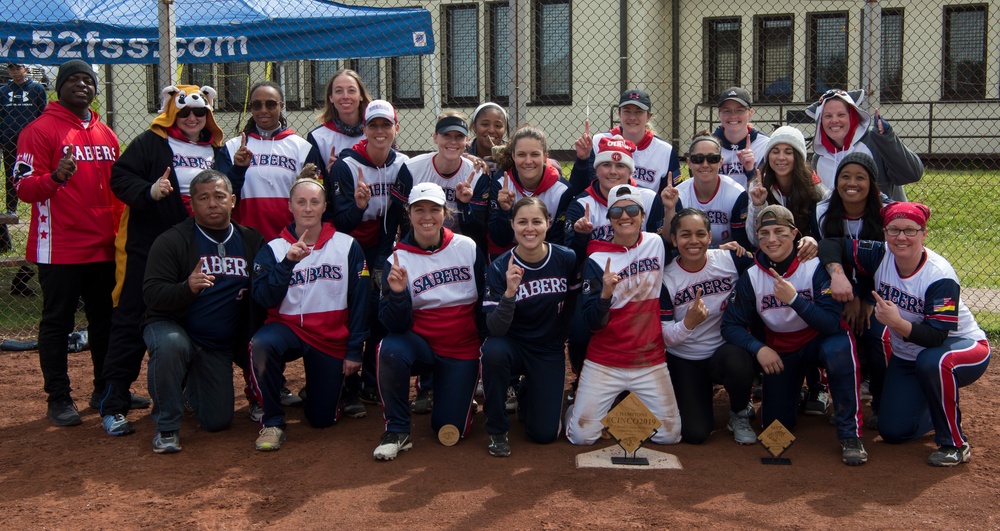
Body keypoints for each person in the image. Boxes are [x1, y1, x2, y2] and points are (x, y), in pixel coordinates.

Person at [98, 84, 244, 435]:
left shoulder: (216, 148)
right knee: (132, 319)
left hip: (198, 252)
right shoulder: (150, 143)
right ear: (171, 114)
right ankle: (113, 401)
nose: (192, 118)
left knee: (198, 317)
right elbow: (119, 177)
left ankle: (185, 392)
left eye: (199, 113)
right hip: (150, 251)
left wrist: (237, 170)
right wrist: (150, 191)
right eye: (184, 113)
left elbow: (226, 194)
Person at [819, 202, 990, 467]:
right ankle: (936, 408)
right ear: (885, 233)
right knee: (893, 431)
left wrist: (897, 323)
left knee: (934, 361)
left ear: (924, 234)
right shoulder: (880, 254)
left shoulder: (939, 275)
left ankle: (954, 444)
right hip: (909, 355)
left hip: (963, 348)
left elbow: (937, 337)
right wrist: (838, 275)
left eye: (910, 230)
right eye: (894, 230)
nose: (901, 238)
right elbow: (831, 244)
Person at [13, 60, 122, 427]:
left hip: (103, 245)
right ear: (58, 88)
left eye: (87, 80)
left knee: (104, 321)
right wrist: (56, 178)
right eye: (72, 79)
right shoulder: (38, 130)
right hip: (58, 245)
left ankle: (105, 390)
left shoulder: (106, 133)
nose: (81, 85)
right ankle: (58, 397)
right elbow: (23, 187)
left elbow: (118, 190)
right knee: (57, 322)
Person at [721, 205, 866, 466]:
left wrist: (795, 300)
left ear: (795, 234)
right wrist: (758, 348)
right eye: (764, 233)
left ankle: (850, 435)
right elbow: (730, 325)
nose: (772, 239)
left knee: (839, 349)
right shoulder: (752, 276)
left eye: (780, 232)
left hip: (819, 340)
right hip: (782, 349)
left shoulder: (815, 266)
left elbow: (832, 323)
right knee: (775, 426)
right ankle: (794, 392)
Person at [141, 170, 265, 454]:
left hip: (215, 345)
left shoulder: (250, 241)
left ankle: (188, 388)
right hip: (172, 324)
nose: (212, 204)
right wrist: (187, 287)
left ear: (232, 200)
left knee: (217, 421)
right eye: (204, 198)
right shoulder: (172, 241)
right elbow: (151, 295)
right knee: (171, 345)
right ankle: (167, 428)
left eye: (219, 197)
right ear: (192, 203)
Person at [249, 164, 369, 451]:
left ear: (325, 206)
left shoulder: (347, 246)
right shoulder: (274, 248)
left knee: (322, 419)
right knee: (261, 344)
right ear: (290, 206)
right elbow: (264, 298)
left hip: (329, 338)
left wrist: (354, 350)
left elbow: (360, 301)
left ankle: (318, 390)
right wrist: (288, 263)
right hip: (287, 330)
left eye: (315, 202)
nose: (307, 208)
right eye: (300, 202)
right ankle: (272, 421)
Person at [374, 182, 485, 460]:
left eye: (434, 209)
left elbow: (485, 301)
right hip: (420, 346)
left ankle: (453, 392)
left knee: (448, 430)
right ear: (408, 214)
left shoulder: (467, 248)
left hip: (461, 348)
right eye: (419, 210)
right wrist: (398, 295)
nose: (427, 217)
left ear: (445, 213)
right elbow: (393, 325)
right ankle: (397, 430)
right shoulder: (397, 258)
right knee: (390, 348)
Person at [565, 184, 682, 446]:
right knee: (582, 437)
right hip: (605, 360)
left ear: (642, 216)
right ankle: (578, 411)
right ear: (609, 219)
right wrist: (605, 295)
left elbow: (682, 239)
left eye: (632, 210)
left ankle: (629, 408)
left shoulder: (655, 244)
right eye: (616, 212)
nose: (624, 216)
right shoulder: (597, 259)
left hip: (649, 358)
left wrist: (671, 208)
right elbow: (593, 323)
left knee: (670, 435)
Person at [328, 99, 410, 413]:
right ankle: (345, 385)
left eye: (385, 125)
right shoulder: (346, 164)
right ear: (364, 129)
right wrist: (359, 206)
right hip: (348, 246)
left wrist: (382, 259)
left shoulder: (402, 163)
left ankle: (370, 382)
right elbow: (340, 222)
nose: (379, 131)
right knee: (350, 309)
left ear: (396, 128)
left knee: (379, 308)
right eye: (373, 125)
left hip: (381, 244)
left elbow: (398, 218)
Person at [481, 197, 577, 457]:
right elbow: (496, 329)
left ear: (547, 223)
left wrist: (561, 333)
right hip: (511, 343)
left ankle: (526, 394)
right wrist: (510, 293)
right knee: (493, 352)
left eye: (536, 221)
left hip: (547, 347)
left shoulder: (565, 258)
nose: (529, 228)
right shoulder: (501, 266)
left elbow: (572, 302)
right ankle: (497, 428)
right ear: (512, 225)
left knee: (544, 435)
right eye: (522, 222)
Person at [746, 126, 828, 416]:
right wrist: (757, 205)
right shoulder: (759, 184)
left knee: (813, 315)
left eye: (788, 151)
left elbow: (827, 232)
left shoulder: (816, 189)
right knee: (766, 310)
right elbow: (755, 238)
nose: (781, 157)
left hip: (806, 261)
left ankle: (819, 384)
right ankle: (770, 373)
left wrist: (813, 240)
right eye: (775, 151)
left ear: (799, 156)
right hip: (773, 263)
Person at [661, 208, 757, 445]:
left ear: (710, 236)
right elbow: (664, 337)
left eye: (700, 234)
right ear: (674, 239)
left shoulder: (730, 259)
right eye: (685, 235)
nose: (693, 241)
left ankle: (739, 411)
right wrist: (688, 324)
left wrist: (809, 244)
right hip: (685, 357)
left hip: (722, 351)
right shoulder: (666, 278)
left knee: (739, 360)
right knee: (695, 433)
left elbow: (767, 264)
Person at [815, 152, 891, 423]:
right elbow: (828, 254)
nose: (852, 183)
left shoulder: (885, 213)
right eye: (845, 177)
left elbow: (886, 264)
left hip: (879, 289)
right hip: (840, 285)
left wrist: (867, 299)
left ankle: (882, 400)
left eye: (860, 177)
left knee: (876, 335)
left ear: (872, 183)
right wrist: (850, 297)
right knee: (839, 334)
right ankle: (845, 400)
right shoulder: (824, 210)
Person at [226, 81, 325, 241]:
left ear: (281, 106)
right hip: (246, 239)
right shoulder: (233, 147)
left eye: (271, 104)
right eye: (257, 105)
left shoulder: (303, 148)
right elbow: (224, 196)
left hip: (290, 238)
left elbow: (316, 198)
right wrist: (238, 169)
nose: (263, 110)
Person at [806, 88, 923, 201]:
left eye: (841, 115)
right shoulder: (819, 157)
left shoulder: (875, 142)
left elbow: (912, 174)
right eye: (828, 116)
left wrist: (888, 139)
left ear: (852, 116)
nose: (834, 120)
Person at [392, 113, 486, 248]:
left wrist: (464, 205)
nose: (453, 142)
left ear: (467, 140)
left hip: (458, 245)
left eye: (459, 136)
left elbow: (476, 232)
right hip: (419, 243)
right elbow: (400, 217)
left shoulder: (476, 174)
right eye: (446, 135)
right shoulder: (412, 168)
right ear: (435, 137)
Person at [572, 89, 681, 193]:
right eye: (627, 111)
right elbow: (581, 188)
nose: (632, 117)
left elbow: (673, 196)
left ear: (649, 117)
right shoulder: (599, 141)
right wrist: (583, 160)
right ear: (619, 114)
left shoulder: (664, 151)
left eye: (639, 112)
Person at [488, 126, 571, 260]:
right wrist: (504, 211)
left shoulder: (561, 190)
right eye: (521, 154)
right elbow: (499, 239)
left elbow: (557, 241)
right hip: (508, 249)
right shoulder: (502, 183)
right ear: (513, 156)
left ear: (545, 156)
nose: (528, 161)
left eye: (535, 154)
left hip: (544, 252)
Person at [1, 63, 47, 296]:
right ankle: (12, 206)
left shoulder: (37, 89)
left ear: (26, 69)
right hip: (8, 139)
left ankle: (36, 202)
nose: (15, 72)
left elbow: (42, 112)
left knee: (32, 175)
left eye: (18, 68)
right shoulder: (3, 90)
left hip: (31, 141)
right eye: (11, 69)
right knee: (12, 175)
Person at [674, 133, 750, 249]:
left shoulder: (736, 194)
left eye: (712, 159)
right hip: (689, 257)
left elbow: (741, 245)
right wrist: (717, 249)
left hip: (727, 257)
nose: (705, 164)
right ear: (689, 162)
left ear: (721, 161)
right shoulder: (679, 195)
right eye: (698, 159)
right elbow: (674, 246)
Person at [307, 69, 372, 172]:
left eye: (351, 90)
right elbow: (312, 183)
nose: (345, 96)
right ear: (331, 98)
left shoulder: (376, 132)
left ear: (361, 96)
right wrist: (330, 174)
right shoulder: (318, 138)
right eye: (339, 91)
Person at [713, 87, 769, 190]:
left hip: (752, 203)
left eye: (739, 110)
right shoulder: (708, 144)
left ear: (750, 113)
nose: (733, 116)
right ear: (719, 114)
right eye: (727, 111)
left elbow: (765, 188)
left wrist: (750, 170)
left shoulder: (765, 145)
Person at [466, 102, 509, 174]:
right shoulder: (463, 150)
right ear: (474, 128)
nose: (491, 130)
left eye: (498, 126)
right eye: (485, 124)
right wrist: (466, 158)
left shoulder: (512, 152)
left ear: (504, 129)